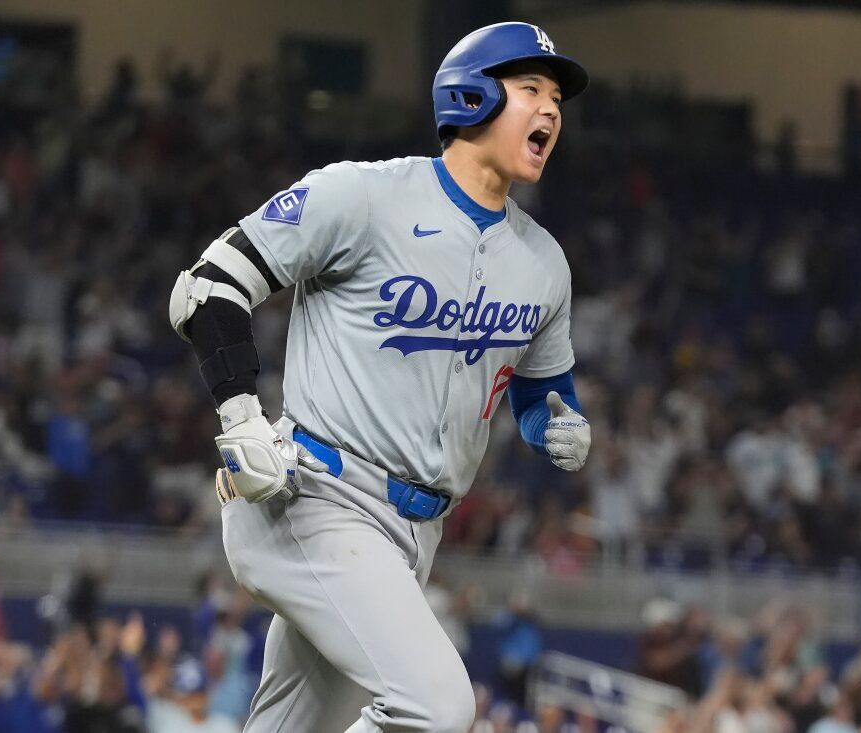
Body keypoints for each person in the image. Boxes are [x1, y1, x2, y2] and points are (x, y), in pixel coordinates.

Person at [168, 22, 592, 733]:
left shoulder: (544, 263)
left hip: (410, 536)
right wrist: (240, 417)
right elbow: (208, 287)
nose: (551, 109)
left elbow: (538, 394)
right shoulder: (363, 197)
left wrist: (556, 423)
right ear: (472, 96)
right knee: (437, 709)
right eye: (530, 89)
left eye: (556, 96)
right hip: (313, 496)